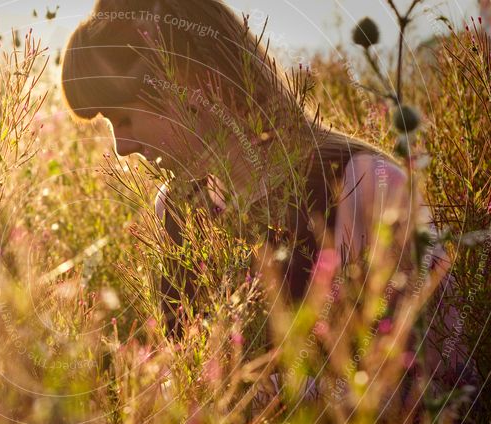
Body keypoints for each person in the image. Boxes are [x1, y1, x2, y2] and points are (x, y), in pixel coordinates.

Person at [60, 0, 480, 396]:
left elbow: (449, 380)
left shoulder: (365, 185)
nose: (121, 148)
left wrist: (300, 401)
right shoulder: (175, 212)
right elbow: (187, 381)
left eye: (124, 118)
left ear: (192, 81)